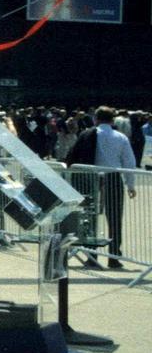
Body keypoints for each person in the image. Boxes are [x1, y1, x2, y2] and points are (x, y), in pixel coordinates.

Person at [67, 107, 137, 269]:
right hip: (113, 177)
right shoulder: (120, 137)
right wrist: (130, 184)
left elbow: (73, 155)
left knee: (90, 217)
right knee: (114, 218)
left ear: (96, 119)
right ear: (112, 120)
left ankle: (91, 255)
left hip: (90, 177)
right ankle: (114, 256)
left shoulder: (87, 134)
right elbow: (129, 162)